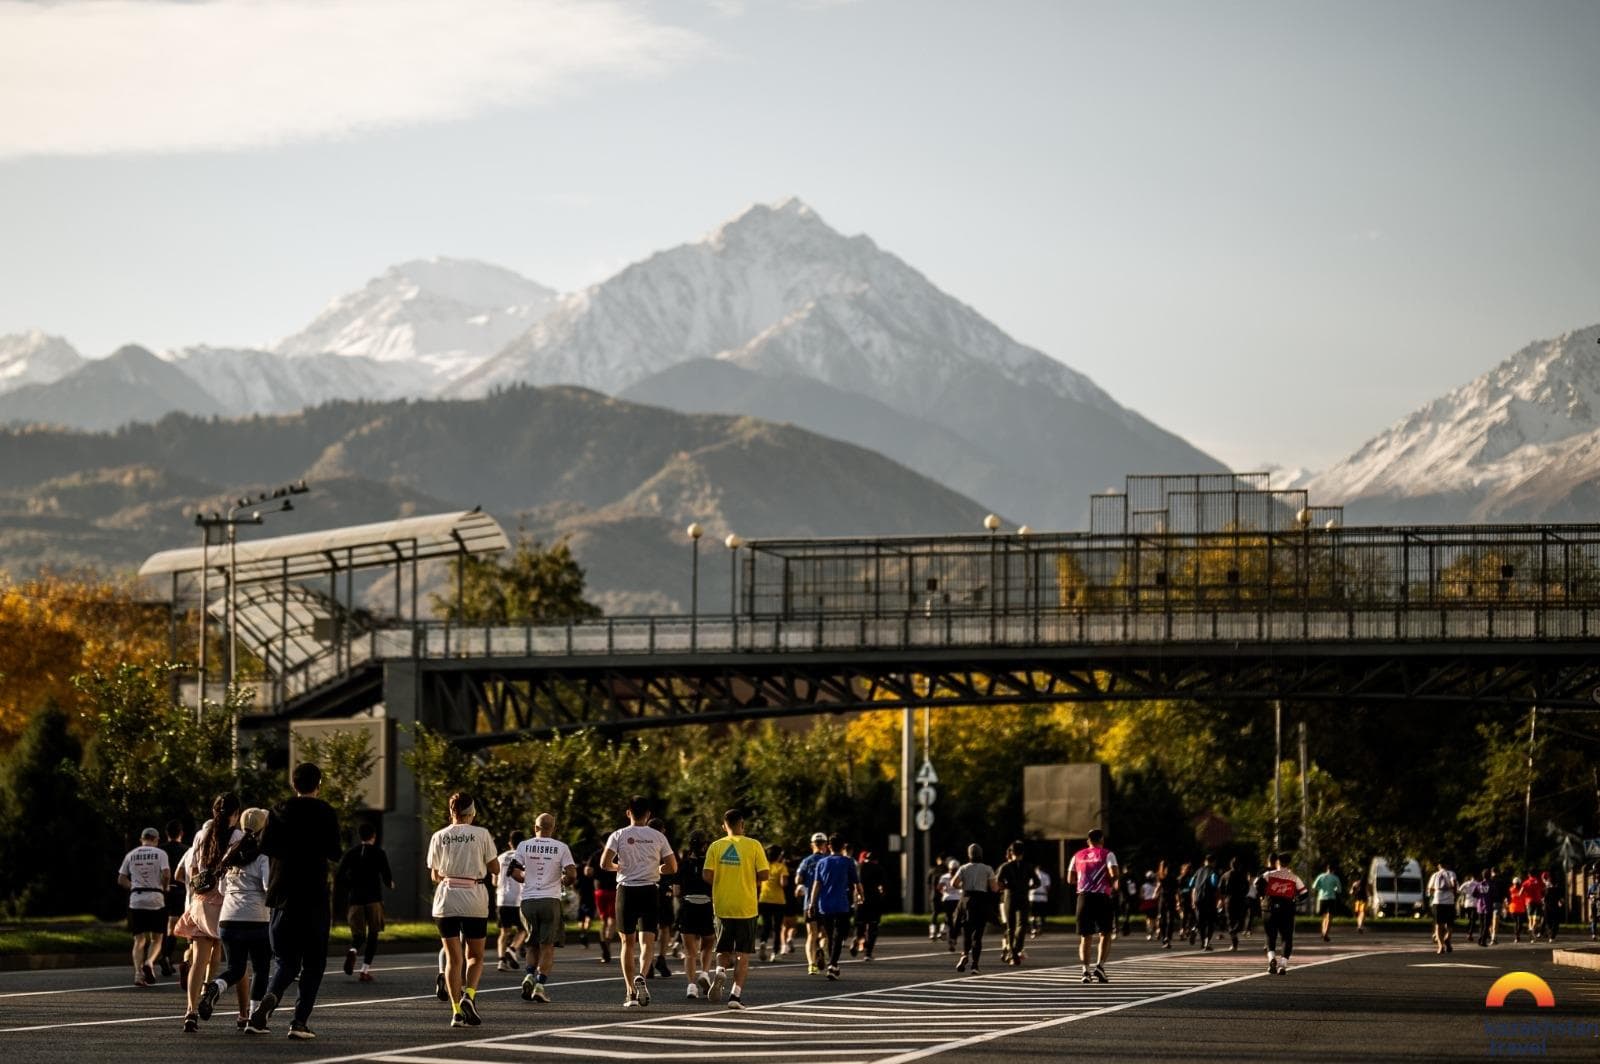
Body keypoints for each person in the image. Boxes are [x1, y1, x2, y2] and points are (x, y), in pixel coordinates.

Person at [249, 763, 343, 1040]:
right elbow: (335, 852)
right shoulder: (326, 812)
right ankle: (299, 1022)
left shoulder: (279, 810)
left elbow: (264, 846)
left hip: (282, 894)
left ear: (293, 784)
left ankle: (269, 1000)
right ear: (319, 783)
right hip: (313, 894)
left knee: (286, 961)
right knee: (314, 963)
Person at [427, 792, 499, 1028]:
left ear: (451, 812)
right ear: (472, 812)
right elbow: (494, 866)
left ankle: (456, 1011)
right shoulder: (481, 834)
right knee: (475, 956)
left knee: (452, 959)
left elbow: (435, 874)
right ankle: (469, 994)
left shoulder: (439, 836)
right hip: (474, 897)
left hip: (446, 898)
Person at [199, 807, 271, 1032]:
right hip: (256, 918)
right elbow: (268, 887)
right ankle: (253, 1018)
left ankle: (216, 986)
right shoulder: (263, 854)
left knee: (236, 968)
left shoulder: (230, 852)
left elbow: (221, 888)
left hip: (228, 918)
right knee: (260, 968)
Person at [600, 795, 676, 1008]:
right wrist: (658, 868)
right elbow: (672, 866)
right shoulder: (658, 836)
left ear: (628, 813)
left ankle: (630, 992)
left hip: (626, 890)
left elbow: (604, 863)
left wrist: (619, 867)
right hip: (650, 890)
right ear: (648, 814)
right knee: (648, 942)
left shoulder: (618, 834)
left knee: (627, 942)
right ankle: (642, 975)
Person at [178, 793, 241, 1033]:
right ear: (235, 814)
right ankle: (236, 1009)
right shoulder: (238, 836)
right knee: (233, 960)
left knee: (197, 959)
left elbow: (193, 870)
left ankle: (190, 1012)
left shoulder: (201, 835)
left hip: (201, 902)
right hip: (226, 903)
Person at [703, 808, 769, 1010]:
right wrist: (746, 877)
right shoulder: (754, 845)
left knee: (722, 948)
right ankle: (735, 996)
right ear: (742, 824)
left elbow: (706, 875)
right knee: (743, 954)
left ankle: (720, 969)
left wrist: (723, 880)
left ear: (724, 826)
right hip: (746, 906)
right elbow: (765, 874)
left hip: (722, 905)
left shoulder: (716, 845)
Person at [515, 813, 575, 1004]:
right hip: (550, 901)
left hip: (528, 901)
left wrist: (529, 879)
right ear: (553, 828)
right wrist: (563, 880)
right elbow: (572, 874)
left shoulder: (523, 845)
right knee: (547, 946)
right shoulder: (561, 848)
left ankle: (529, 975)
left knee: (532, 944)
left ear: (535, 828)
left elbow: (515, 872)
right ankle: (540, 986)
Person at [337, 823, 395, 983]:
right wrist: (390, 883)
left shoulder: (351, 853)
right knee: (373, 933)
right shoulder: (379, 853)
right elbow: (386, 875)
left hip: (355, 899)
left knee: (358, 935)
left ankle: (353, 950)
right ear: (373, 836)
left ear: (359, 836)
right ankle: (364, 970)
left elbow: (340, 875)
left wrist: (350, 886)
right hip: (373, 899)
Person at [118, 826, 172, 987]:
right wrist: (165, 886)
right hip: (156, 898)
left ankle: (137, 974)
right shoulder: (160, 854)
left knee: (139, 939)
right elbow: (167, 874)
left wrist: (133, 885)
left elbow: (121, 879)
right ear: (156, 840)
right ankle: (149, 962)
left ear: (142, 839)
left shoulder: (131, 855)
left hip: (136, 899)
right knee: (157, 938)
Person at [1067, 829, 1119, 984]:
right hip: (1102, 897)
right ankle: (1100, 967)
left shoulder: (1077, 855)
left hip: (1083, 897)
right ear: (1101, 840)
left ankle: (1085, 971)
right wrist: (1109, 883)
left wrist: (1085, 881)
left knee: (1085, 936)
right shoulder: (1107, 854)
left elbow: (1070, 879)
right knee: (1106, 933)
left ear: (1088, 840)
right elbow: (1114, 873)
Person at [807, 834, 860, 980]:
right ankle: (833, 964)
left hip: (824, 905)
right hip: (842, 904)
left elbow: (816, 885)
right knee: (839, 936)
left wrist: (812, 903)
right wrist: (861, 895)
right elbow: (856, 882)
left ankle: (832, 964)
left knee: (830, 936)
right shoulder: (848, 862)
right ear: (843, 847)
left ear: (829, 846)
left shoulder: (822, 863)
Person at [675, 831, 717, 1000]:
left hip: (687, 907)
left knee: (690, 951)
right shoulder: (711, 865)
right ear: (705, 845)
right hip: (706, 906)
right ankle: (705, 973)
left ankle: (691, 986)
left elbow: (676, 890)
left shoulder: (683, 864)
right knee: (708, 944)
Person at [1259, 853, 1306, 975]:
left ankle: (1272, 959)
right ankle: (1283, 965)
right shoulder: (1294, 877)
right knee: (1286, 937)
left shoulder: (1268, 875)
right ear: (1289, 863)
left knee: (1270, 936)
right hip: (1287, 909)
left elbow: (1257, 884)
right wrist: (1296, 900)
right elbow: (1304, 893)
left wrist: (1262, 895)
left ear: (1277, 862)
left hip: (1268, 909)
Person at [995, 842, 1037, 966]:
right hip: (1023, 897)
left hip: (1009, 897)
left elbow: (998, 881)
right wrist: (1029, 887)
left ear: (1011, 853)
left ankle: (1013, 953)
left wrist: (1005, 887)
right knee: (1022, 925)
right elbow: (1037, 882)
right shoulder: (1028, 866)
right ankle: (1015, 950)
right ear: (1022, 853)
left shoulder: (1005, 866)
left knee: (1010, 926)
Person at [794, 832, 830, 973]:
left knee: (811, 934)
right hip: (826, 904)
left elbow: (798, 879)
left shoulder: (806, 861)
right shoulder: (828, 860)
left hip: (809, 903)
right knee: (825, 934)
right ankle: (821, 949)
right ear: (826, 845)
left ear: (812, 845)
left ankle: (812, 965)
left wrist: (802, 886)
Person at [158, 820, 188, 978]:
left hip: (160, 892)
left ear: (166, 834)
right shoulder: (186, 850)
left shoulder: (159, 850)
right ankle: (166, 955)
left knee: (160, 927)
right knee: (173, 927)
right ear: (181, 834)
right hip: (179, 891)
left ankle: (161, 955)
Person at [492, 831, 526, 972]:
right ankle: (512, 949)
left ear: (510, 843)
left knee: (504, 932)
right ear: (523, 843)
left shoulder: (500, 858)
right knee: (523, 930)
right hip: (519, 899)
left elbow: (494, 882)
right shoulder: (524, 857)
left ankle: (501, 961)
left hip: (502, 899)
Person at [648, 817, 676, 979]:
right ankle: (661, 958)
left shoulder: (641, 842)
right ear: (662, 830)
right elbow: (672, 865)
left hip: (647, 886)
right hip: (661, 887)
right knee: (664, 926)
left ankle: (651, 961)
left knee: (650, 928)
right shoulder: (662, 842)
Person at [852, 849, 887, 961]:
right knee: (873, 926)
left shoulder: (858, 867)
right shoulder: (879, 868)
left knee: (860, 923)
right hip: (874, 900)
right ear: (875, 860)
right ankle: (868, 953)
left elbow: (854, 883)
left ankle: (857, 939)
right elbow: (881, 886)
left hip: (860, 899)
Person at [758, 845, 788, 962]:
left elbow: (758, 882)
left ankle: (763, 942)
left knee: (766, 925)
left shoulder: (763, 866)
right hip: (778, 901)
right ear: (779, 855)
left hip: (764, 899)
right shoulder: (781, 867)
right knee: (777, 928)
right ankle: (775, 953)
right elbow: (783, 883)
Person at [1220, 857, 1252, 952]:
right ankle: (1234, 931)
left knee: (1230, 920)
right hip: (1240, 899)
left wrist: (1222, 899)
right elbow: (1247, 887)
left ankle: (1234, 942)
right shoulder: (1242, 875)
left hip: (1229, 899)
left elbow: (1221, 889)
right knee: (1240, 919)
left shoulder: (1225, 875)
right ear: (1239, 866)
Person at [1426, 858, 1457, 954]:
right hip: (1449, 901)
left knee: (1438, 925)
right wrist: (1453, 893)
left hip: (1438, 901)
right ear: (1447, 865)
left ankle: (1440, 946)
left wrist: (1433, 894)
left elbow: (1430, 889)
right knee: (1450, 924)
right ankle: (1448, 937)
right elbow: (1454, 883)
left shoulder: (1435, 875)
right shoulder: (1451, 873)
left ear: (1439, 866)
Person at [1192, 854, 1220, 951]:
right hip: (1209, 899)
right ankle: (1207, 943)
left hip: (1198, 899)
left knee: (1201, 921)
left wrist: (1193, 899)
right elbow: (1214, 883)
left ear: (1205, 861)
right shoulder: (1213, 871)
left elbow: (1191, 883)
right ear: (1213, 862)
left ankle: (1197, 933)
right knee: (1210, 922)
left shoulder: (1198, 871)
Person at [938, 857, 963, 954]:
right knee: (956, 920)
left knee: (950, 919)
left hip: (948, 899)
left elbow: (939, 887)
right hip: (956, 899)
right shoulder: (960, 876)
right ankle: (952, 938)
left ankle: (945, 930)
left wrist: (944, 892)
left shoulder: (945, 876)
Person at [1310, 863, 1340, 943]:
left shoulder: (1321, 876)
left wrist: (1321, 889)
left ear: (1327, 869)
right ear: (1333, 870)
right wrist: (1334, 889)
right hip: (1331, 898)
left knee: (1324, 916)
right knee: (1330, 916)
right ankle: (1326, 933)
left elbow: (1314, 886)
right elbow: (1339, 889)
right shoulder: (1335, 878)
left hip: (1322, 898)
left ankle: (1323, 932)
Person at [1155, 859, 1178, 950]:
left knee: (1163, 919)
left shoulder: (1160, 876)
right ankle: (1167, 938)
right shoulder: (1172, 877)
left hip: (1163, 899)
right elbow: (1176, 890)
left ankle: (1165, 938)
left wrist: (1156, 893)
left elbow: (1158, 886)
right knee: (1169, 919)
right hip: (1170, 899)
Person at [1467, 868, 1494, 946]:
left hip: (1480, 906)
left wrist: (1480, 896)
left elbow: (1474, 894)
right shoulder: (1491, 885)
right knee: (1487, 924)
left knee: (1482, 924)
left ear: (1483, 876)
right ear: (1489, 876)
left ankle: (1480, 939)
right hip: (1488, 906)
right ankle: (1483, 940)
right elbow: (1495, 895)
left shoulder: (1478, 884)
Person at [1541, 871, 1564, 942]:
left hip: (1548, 907)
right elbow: (1561, 899)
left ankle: (1551, 936)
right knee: (1554, 922)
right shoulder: (1557, 889)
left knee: (1550, 922)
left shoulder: (1546, 890)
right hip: (1553, 907)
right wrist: (1561, 902)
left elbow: (1543, 899)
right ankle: (1552, 936)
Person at [1029, 865, 1051, 938]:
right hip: (1042, 897)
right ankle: (1040, 928)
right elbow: (1047, 887)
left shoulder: (1031, 875)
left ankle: (1033, 929)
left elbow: (1029, 886)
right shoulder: (1046, 876)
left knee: (1033, 914)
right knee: (1041, 914)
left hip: (1033, 896)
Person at [1140, 871, 1159, 940]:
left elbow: (1141, 896)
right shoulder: (1156, 885)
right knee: (1155, 919)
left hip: (1146, 903)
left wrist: (1145, 897)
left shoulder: (1144, 886)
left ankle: (1149, 932)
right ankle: (1156, 931)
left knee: (1148, 919)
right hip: (1154, 902)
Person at [1349, 869, 1369, 934]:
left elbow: (1351, 892)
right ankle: (1360, 926)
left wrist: (1353, 891)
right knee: (1362, 912)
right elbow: (1368, 891)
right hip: (1364, 899)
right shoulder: (1366, 883)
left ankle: (1359, 926)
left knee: (1358, 913)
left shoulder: (1355, 883)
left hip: (1357, 899)